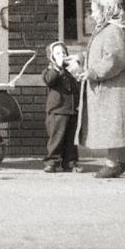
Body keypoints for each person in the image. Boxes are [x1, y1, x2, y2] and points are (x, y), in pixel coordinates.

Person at [76, 0, 125, 179]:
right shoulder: (107, 29)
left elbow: (115, 59)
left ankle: (112, 164)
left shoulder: (113, 31)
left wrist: (92, 72)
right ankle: (123, 160)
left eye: (94, 11)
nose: (91, 15)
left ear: (106, 10)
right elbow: (103, 55)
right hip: (110, 88)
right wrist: (81, 59)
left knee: (113, 126)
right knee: (113, 126)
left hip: (114, 89)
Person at [41, 41, 81, 173]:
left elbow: (77, 86)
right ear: (51, 56)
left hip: (71, 110)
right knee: (57, 137)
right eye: (57, 53)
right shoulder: (50, 70)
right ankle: (52, 162)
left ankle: (70, 162)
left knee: (71, 139)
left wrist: (77, 73)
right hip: (57, 110)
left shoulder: (71, 70)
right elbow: (50, 80)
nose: (62, 55)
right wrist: (57, 67)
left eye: (63, 52)